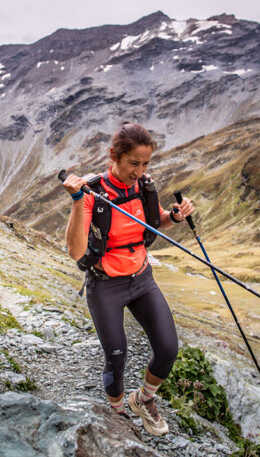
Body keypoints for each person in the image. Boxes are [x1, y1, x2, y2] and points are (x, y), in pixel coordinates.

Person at [61, 121, 194, 436]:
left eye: (145, 163)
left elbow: (153, 222)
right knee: (117, 354)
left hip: (142, 278)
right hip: (106, 285)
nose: (140, 170)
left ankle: (142, 400)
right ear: (114, 155)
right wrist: (78, 200)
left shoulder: (143, 186)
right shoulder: (92, 193)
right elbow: (75, 251)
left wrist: (175, 216)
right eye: (134, 163)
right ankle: (118, 414)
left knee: (167, 349)